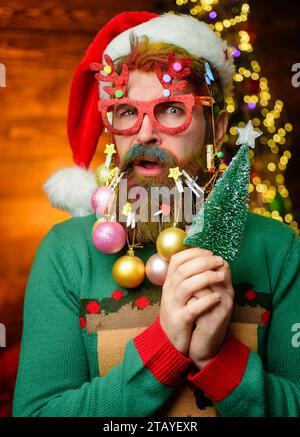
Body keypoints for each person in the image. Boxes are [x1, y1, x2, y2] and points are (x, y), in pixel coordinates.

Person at [13, 11, 300, 417]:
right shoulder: (65, 253)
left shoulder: (279, 250)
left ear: (216, 128)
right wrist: (165, 347)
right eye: (127, 112)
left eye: (170, 108)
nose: (146, 133)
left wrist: (218, 358)